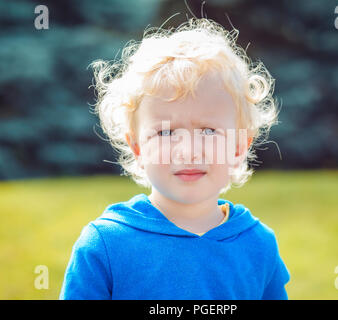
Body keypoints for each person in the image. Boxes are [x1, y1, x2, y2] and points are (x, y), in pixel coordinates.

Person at [59, 17, 290, 300]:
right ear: (137, 147)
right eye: (166, 132)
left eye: (208, 130)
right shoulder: (105, 245)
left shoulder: (258, 245)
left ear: (239, 146)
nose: (189, 151)